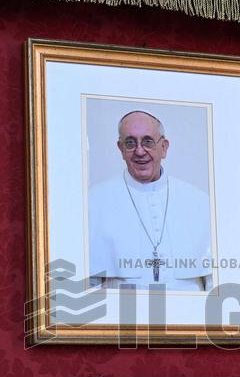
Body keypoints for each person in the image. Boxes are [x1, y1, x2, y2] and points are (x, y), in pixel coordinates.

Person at [88, 110, 212, 289]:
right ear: (121, 149)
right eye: (130, 143)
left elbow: (213, 282)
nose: (139, 151)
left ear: (164, 147)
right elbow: (89, 285)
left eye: (148, 141)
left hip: (191, 315)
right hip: (122, 315)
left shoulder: (199, 201)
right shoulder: (94, 201)